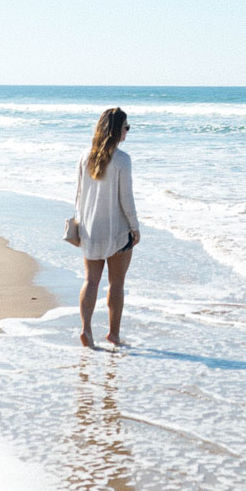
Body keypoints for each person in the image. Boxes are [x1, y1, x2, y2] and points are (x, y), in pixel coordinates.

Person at [74, 107, 141, 348]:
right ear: (116, 130)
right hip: (117, 230)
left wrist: (79, 223)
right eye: (126, 127)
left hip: (91, 228)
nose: (127, 132)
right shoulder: (122, 159)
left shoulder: (85, 156)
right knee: (116, 284)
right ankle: (113, 334)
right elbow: (127, 199)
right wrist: (135, 227)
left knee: (91, 281)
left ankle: (86, 330)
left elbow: (79, 194)